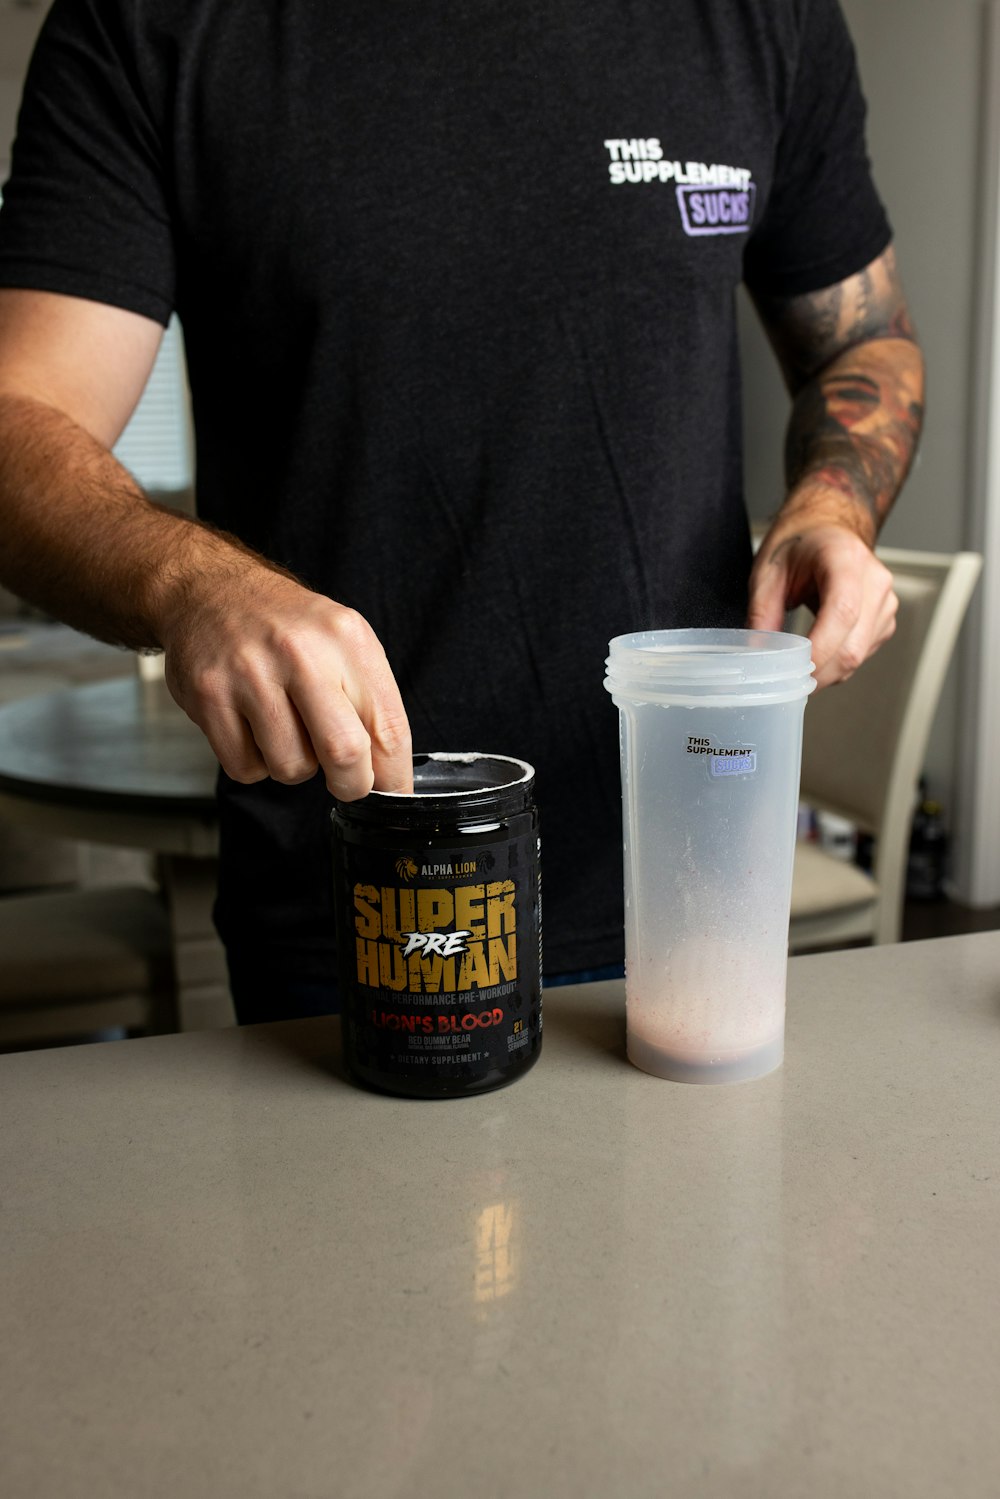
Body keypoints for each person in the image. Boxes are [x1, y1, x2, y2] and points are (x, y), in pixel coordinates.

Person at [0, 0, 924, 1023]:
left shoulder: (762, 16)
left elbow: (865, 341)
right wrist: (193, 583)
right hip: (359, 902)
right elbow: (18, 418)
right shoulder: (146, 24)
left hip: (691, 891)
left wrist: (832, 506)